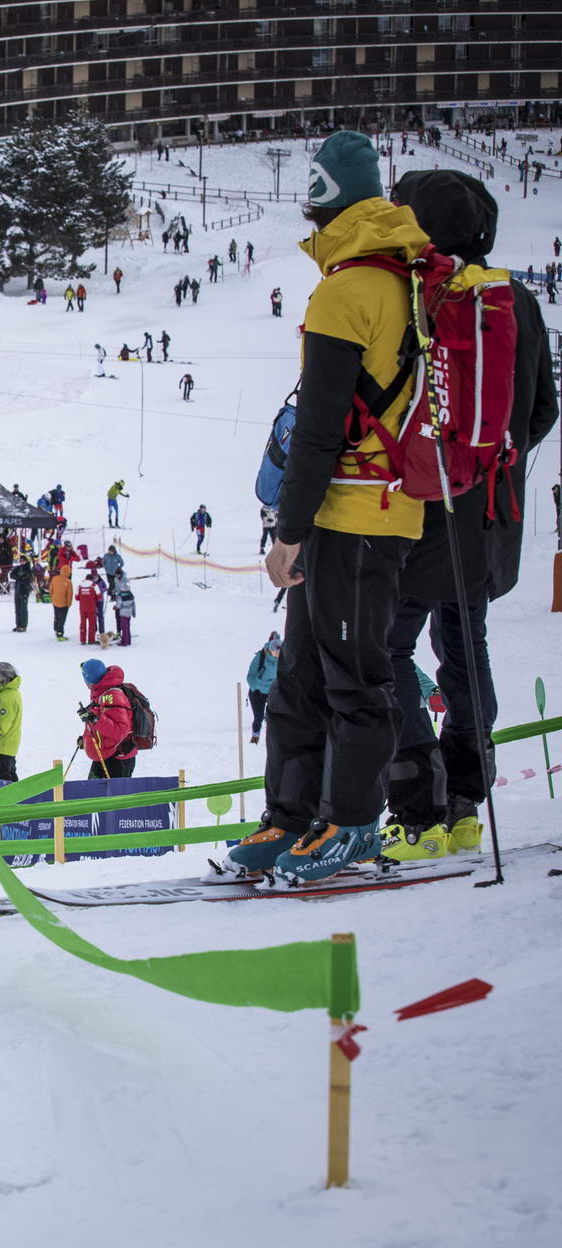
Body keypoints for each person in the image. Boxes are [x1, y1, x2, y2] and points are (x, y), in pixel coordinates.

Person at [234, 131, 431, 889]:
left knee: (349, 678)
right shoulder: (398, 276)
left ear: (323, 207)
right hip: (363, 512)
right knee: (303, 677)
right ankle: (292, 815)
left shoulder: (347, 290)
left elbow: (319, 429)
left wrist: (288, 533)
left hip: (356, 518)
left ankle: (348, 822)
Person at [379, 168, 558, 858]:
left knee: (386, 649)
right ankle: (462, 802)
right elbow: (543, 409)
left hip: (415, 511)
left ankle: (418, 807)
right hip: (488, 516)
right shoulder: (512, 299)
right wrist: (488, 462)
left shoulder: (416, 295)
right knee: (465, 645)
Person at [77, 659, 138, 779]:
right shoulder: (100, 692)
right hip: (105, 754)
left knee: (109, 797)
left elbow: (120, 731)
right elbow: (102, 723)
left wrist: (94, 719)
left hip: (118, 759)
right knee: (92, 794)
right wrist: (86, 739)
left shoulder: (113, 696)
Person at [0, 662, 23, 784]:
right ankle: (19, 801)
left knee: (2, 784)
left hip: (3, 747)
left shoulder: (7, 697)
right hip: (6, 746)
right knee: (10, 779)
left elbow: (2, 726)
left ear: (3, 676)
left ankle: (9, 802)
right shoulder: (8, 693)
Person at [245, 633, 281, 744]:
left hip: (273, 691)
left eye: (279, 652)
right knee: (258, 717)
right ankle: (255, 736)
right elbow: (250, 676)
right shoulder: (260, 657)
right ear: (270, 650)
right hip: (258, 692)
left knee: (277, 716)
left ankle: (275, 739)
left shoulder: (283, 658)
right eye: (276, 653)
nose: (278, 655)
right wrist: (256, 687)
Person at [76, 571, 102, 646]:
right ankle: (91, 640)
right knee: (92, 624)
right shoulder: (94, 586)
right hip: (92, 608)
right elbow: (99, 597)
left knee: (83, 623)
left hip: (82, 608)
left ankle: (83, 640)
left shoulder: (80, 586)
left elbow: (77, 598)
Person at [48, 561, 73, 640]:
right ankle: (60, 633)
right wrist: (69, 604)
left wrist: (52, 598)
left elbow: (50, 589)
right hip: (64, 604)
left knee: (57, 617)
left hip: (55, 602)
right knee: (62, 619)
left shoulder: (55, 578)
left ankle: (56, 628)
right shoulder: (68, 582)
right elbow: (70, 594)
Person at [9, 556, 34, 632]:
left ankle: (23, 625)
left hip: (24, 590)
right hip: (17, 589)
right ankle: (18, 624)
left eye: (23, 561)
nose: (22, 562)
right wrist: (19, 578)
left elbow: (28, 579)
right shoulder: (18, 568)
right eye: (21, 561)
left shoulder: (28, 569)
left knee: (23, 609)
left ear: (26, 561)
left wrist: (20, 578)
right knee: (17, 608)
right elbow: (11, 575)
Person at [112, 577, 135, 646]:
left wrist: (115, 607)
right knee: (128, 627)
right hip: (129, 612)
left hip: (123, 613)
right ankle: (128, 640)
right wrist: (133, 612)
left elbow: (118, 605)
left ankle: (124, 642)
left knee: (124, 627)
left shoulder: (120, 595)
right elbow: (134, 604)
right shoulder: (131, 594)